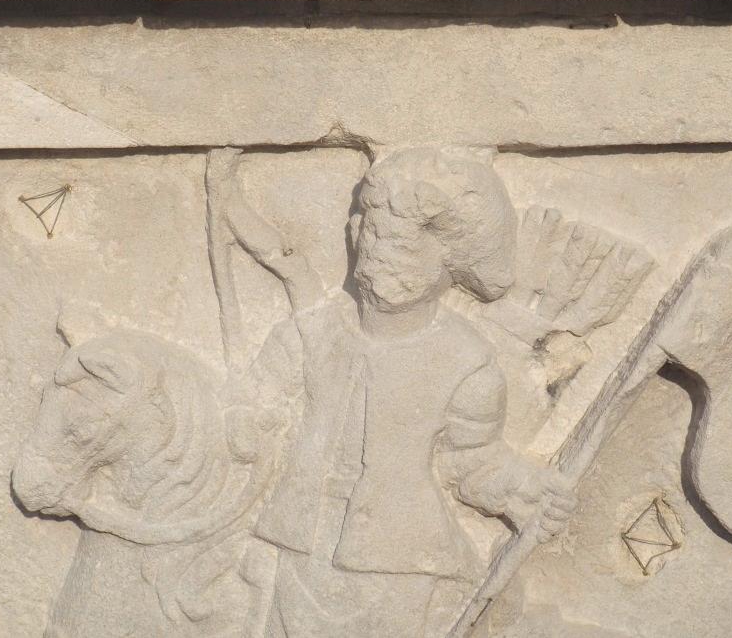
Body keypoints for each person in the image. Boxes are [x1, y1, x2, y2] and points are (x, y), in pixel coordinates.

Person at [211, 146, 577, 637]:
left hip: (403, 567)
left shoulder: (466, 361)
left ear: (454, 260)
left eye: (408, 245)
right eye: (376, 233)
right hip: (298, 552)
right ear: (356, 233)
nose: (383, 251)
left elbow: (471, 463)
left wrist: (527, 493)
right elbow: (253, 412)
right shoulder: (308, 333)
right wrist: (244, 421)